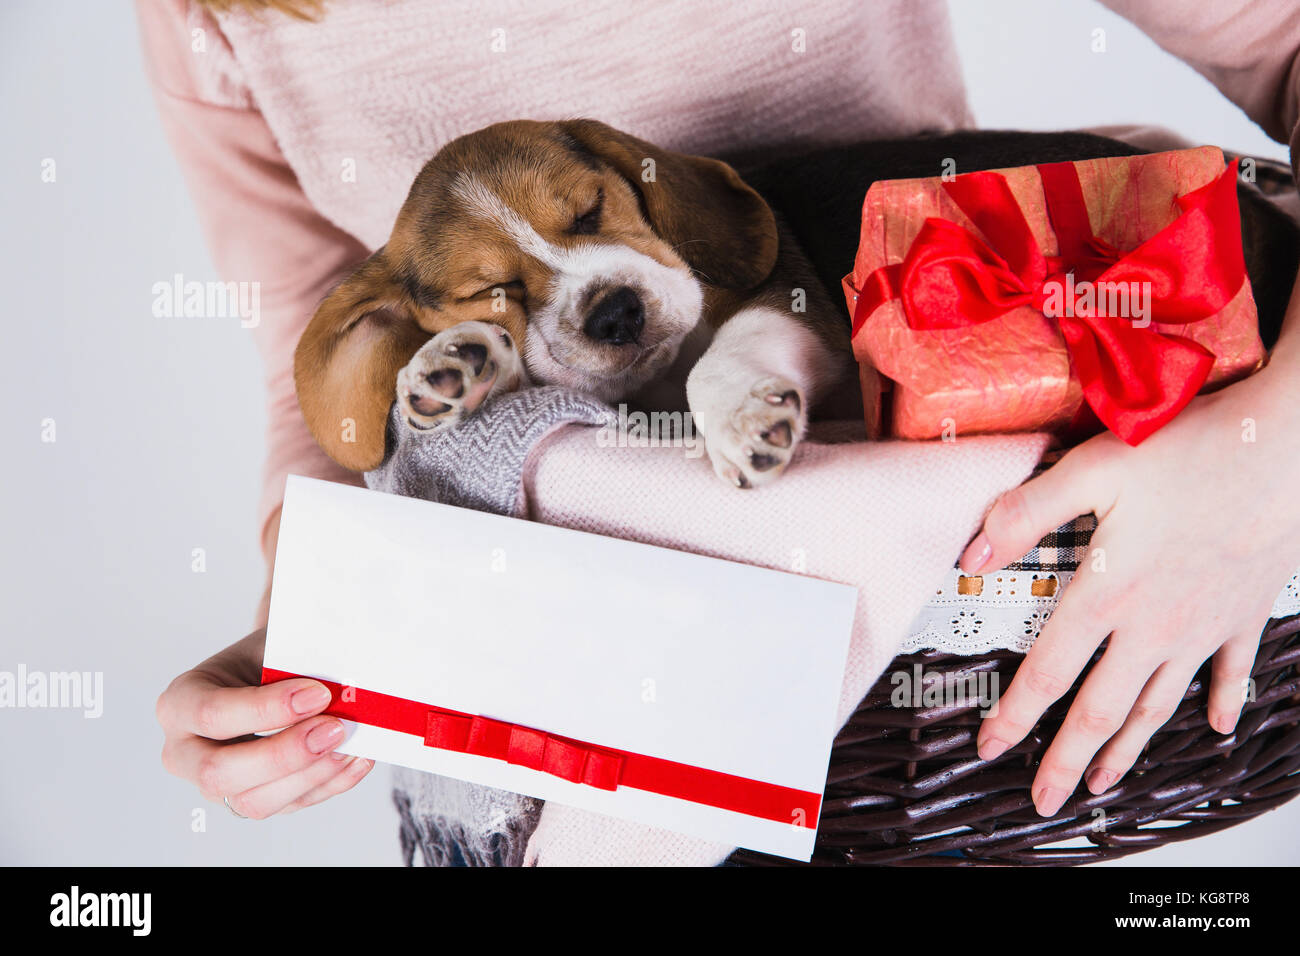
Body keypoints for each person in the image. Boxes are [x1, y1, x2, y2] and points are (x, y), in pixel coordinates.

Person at [144, 0, 1300, 837]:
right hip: (570, 655)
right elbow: (320, 370)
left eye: (593, 210)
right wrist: (299, 635)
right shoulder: (209, 14)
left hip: (963, 582)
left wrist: (1271, 450)